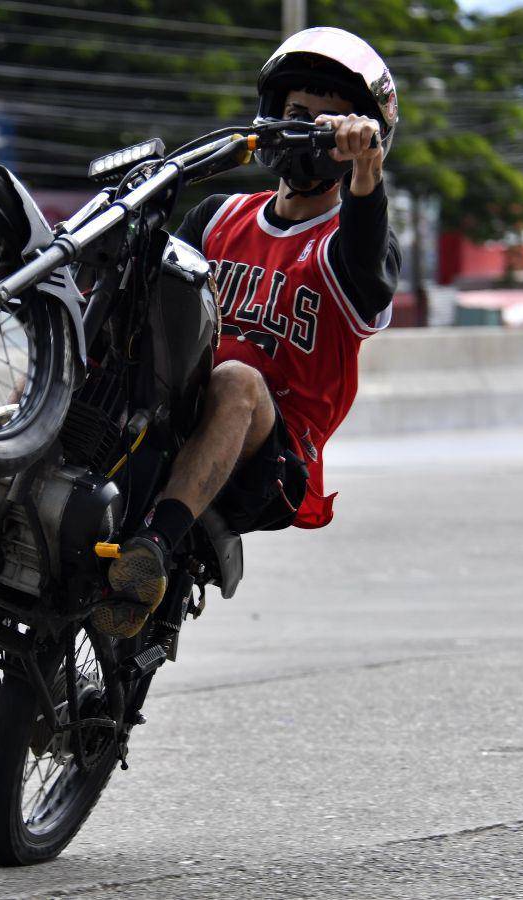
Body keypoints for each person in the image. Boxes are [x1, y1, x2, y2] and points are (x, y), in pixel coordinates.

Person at [92, 26, 402, 638]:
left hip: (272, 462)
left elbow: (367, 264)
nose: (308, 128)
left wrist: (367, 170)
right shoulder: (219, 216)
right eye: (296, 113)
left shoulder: (349, 244)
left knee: (237, 378)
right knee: (113, 320)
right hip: (176, 418)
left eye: (329, 122)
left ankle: (150, 554)